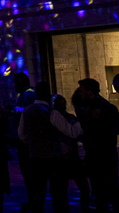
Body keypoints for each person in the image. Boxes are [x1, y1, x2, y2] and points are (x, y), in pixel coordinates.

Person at [19, 81, 79, 213]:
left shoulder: (27, 111)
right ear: (48, 94)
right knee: (59, 196)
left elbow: (21, 135)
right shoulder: (52, 113)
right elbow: (71, 132)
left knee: (37, 196)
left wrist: (34, 142)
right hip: (54, 159)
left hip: (35, 158)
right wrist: (80, 123)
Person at [73, 78, 119, 212]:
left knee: (100, 190)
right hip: (109, 153)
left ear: (89, 92)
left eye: (82, 90)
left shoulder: (92, 110)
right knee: (113, 188)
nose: (80, 93)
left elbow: (85, 129)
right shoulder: (109, 107)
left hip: (96, 154)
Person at [53, 95, 90, 213]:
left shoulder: (69, 117)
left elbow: (77, 134)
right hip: (64, 159)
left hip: (72, 158)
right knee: (64, 190)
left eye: (63, 104)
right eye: (60, 104)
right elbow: (74, 132)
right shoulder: (58, 118)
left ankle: (83, 208)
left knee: (83, 187)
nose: (63, 106)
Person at [11, 72, 37, 209]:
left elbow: (28, 110)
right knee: (27, 172)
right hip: (23, 140)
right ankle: (32, 200)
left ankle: (34, 202)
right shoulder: (26, 94)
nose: (14, 85)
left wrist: (14, 109)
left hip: (26, 141)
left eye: (15, 82)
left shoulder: (29, 94)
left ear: (21, 81)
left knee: (29, 172)